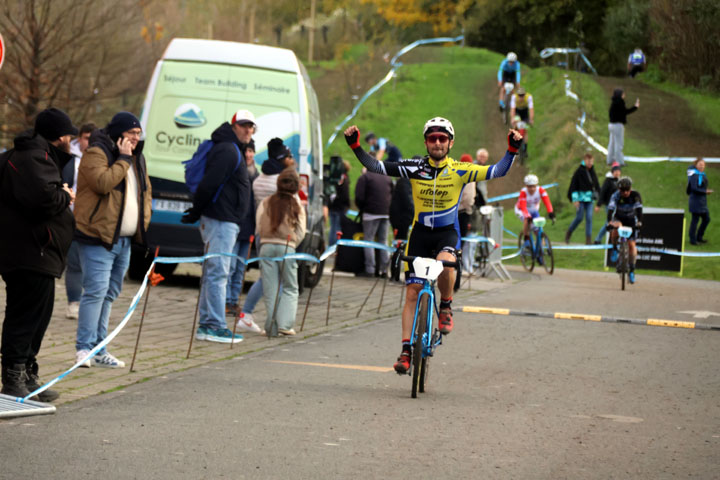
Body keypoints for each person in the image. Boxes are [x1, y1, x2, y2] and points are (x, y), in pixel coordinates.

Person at [343, 117, 521, 373]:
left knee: (447, 265)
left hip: (446, 234)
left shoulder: (462, 169)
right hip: (420, 235)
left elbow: (497, 171)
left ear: (450, 143)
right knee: (412, 291)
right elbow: (377, 166)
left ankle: (446, 305)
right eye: (432, 138)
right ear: (426, 142)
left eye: (442, 139)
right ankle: (406, 350)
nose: (437, 143)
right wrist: (356, 146)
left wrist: (512, 150)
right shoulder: (414, 167)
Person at [0, 108, 77, 401]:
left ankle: (28, 373)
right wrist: (66, 195)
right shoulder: (34, 157)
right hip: (31, 251)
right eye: (68, 134)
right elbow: (42, 200)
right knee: (25, 316)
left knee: (39, 315)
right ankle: (13, 376)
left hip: (37, 252)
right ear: (60, 136)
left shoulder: (36, 156)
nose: (70, 140)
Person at [73, 112, 152, 367]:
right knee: (95, 292)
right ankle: (83, 348)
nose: (136, 139)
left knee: (110, 294)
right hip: (99, 237)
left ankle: (99, 348)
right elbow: (102, 183)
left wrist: (143, 222)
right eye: (132, 134)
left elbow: (145, 192)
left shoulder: (137, 158)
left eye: (139, 134)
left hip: (125, 240)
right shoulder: (98, 153)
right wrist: (123, 159)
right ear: (118, 133)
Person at [180, 109, 253, 344]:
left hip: (225, 219)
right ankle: (213, 324)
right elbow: (209, 183)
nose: (248, 130)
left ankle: (208, 324)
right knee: (218, 273)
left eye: (251, 127)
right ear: (234, 126)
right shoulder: (227, 150)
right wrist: (197, 210)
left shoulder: (231, 148)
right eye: (243, 125)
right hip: (220, 219)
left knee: (215, 272)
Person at [240, 137, 296, 327]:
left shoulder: (259, 179)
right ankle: (275, 319)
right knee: (277, 279)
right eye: (288, 156)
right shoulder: (281, 182)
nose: (291, 159)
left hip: (260, 232)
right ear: (282, 158)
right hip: (279, 235)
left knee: (267, 277)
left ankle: (248, 314)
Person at [256, 168, 306, 336]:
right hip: (287, 247)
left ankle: (271, 326)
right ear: (296, 186)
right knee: (290, 287)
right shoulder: (296, 204)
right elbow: (301, 230)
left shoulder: (266, 202)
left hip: (266, 246)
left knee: (270, 288)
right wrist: (293, 243)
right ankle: (285, 324)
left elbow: (258, 224)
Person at [225, 140, 264, 334]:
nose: (248, 154)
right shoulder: (236, 172)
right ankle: (226, 301)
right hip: (235, 224)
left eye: (251, 151)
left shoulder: (256, 175)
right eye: (246, 151)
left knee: (241, 267)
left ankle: (234, 301)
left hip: (249, 227)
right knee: (230, 266)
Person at [62, 122, 97, 320]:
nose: (89, 143)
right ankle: (73, 301)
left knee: (91, 264)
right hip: (74, 217)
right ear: (79, 139)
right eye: (86, 138)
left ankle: (89, 301)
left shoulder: (101, 158)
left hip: (93, 219)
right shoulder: (70, 158)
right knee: (74, 263)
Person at [355, 157, 393, 278]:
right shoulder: (387, 177)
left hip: (370, 213)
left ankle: (370, 269)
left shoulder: (365, 177)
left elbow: (359, 197)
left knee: (369, 241)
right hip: (386, 213)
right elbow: (392, 193)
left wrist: (362, 208)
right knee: (383, 241)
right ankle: (384, 270)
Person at [607, 177, 643, 284]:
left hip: (632, 220)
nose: (625, 192)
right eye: (623, 190)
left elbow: (639, 210)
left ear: (630, 188)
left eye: (627, 189)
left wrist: (639, 223)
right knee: (615, 228)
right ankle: (614, 248)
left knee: (632, 245)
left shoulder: (635, 195)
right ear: (619, 190)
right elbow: (610, 209)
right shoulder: (616, 196)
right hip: (619, 219)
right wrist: (609, 223)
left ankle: (632, 270)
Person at [565, 153, 601, 245]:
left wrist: (600, 198)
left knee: (589, 217)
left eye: (592, 161)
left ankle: (588, 239)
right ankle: (569, 232)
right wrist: (575, 200)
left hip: (590, 200)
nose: (590, 163)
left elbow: (596, 184)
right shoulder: (579, 172)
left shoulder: (592, 171)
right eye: (589, 161)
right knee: (579, 217)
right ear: (585, 161)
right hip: (580, 199)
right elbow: (573, 186)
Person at [515, 174, 555, 239]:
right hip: (520, 210)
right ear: (526, 186)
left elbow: (547, 202)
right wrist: (527, 216)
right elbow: (523, 206)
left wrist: (550, 212)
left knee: (537, 229)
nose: (532, 189)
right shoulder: (523, 192)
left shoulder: (541, 190)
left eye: (534, 186)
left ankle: (541, 247)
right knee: (527, 220)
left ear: (537, 185)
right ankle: (526, 240)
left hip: (533, 210)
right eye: (529, 186)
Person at [607, 88, 639, 166]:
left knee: (612, 143)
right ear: (620, 95)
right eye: (623, 94)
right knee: (619, 144)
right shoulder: (620, 103)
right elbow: (625, 112)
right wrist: (635, 107)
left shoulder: (614, 102)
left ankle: (609, 160)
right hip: (618, 126)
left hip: (611, 125)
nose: (624, 95)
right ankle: (619, 162)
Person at [594, 164, 622, 244]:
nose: (617, 173)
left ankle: (611, 239)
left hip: (617, 206)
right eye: (615, 171)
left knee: (614, 222)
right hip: (609, 205)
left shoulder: (619, 181)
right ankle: (598, 239)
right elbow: (602, 192)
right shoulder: (608, 181)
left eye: (618, 171)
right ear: (612, 172)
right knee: (609, 222)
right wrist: (598, 205)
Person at [458, 154, 477, 271]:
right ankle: (460, 265)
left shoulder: (458, 174)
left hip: (456, 210)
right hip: (464, 211)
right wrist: (469, 208)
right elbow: (469, 197)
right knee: (462, 240)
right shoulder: (469, 176)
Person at [687, 158, 712, 245]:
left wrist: (705, 191)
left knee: (707, 219)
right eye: (700, 164)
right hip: (695, 201)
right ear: (696, 165)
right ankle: (693, 240)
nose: (702, 166)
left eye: (703, 164)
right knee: (695, 220)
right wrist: (705, 191)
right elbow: (694, 188)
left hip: (702, 202)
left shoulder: (702, 174)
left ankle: (699, 237)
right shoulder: (694, 175)